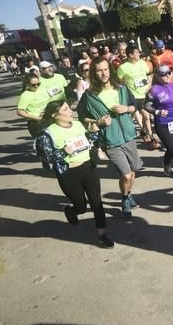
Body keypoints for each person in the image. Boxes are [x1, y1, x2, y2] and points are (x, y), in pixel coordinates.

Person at [35, 100, 114, 248]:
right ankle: (71, 210)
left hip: (87, 168)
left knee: (96, 202)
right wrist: (62, 152)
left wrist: (94, 133)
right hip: (68, 174)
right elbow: (46, 157)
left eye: (70, 108)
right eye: (66, 109)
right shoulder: (48, 133)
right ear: (55, 115)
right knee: (81, 206)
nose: (71, 111)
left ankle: (102, 235)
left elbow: (89, 141)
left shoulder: (78, 125)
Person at [77, 57, 143, 217]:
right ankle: (125, 199)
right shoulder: (89, 95)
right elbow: (81, 117)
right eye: (99, 70)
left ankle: (128, 194)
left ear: (110, 70)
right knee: (126, 174)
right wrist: (97, 121)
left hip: (129, 136)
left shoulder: (121, 88)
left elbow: (135, 106)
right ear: (94, 73)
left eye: (105, 69)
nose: (103, 73)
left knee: (133, 172)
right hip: (110, 141)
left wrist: (126, 108)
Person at [145, 65, 173, 177]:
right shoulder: (154, 90)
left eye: (169, 73)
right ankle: (167, 163)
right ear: (158, 76)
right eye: (164, 74)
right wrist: (157, 112)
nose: (168, 76)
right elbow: (146, 105)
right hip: (162, 123)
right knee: (172, 148)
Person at [117, 45, 157, 149]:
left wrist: (149, 84)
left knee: (147, 117)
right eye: (136, 53)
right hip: (133, 96)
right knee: (141, 116)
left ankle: (148, 135)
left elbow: (149, 74)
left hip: (144, 94)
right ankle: (148, 136)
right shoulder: (123, 67)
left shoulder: (142, 63)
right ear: (130, 55)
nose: (139, 54)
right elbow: (118, 82)